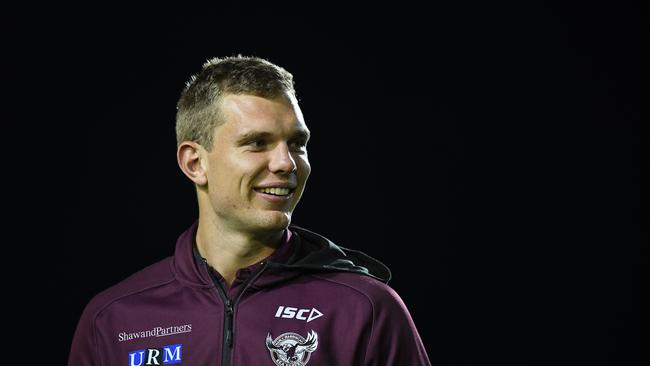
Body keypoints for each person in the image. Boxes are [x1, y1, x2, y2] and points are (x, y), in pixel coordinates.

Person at [68, 55, 432, 366]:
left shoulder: (365, 310)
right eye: (257, 143)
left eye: (297, 144)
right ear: (195, 162)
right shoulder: (112, 320)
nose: (287, 163)